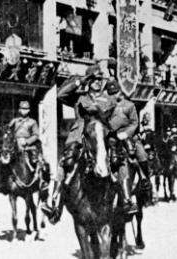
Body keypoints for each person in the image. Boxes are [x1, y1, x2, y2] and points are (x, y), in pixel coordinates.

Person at [42, 64, 116, 219]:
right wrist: (80, 81)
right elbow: (60, 94)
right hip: (79, 135)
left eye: (99, 79)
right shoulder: (79, 97)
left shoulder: (108, 98)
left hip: (101, 136)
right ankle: (54, 202)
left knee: (119, 158)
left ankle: (126, 198)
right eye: (93, 79)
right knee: (66, 161)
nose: (97, 82)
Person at [106, 79, 152, 213]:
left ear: (121, 91)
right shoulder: (105, 106)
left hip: (128, 137)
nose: (115, 96)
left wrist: (126, 133)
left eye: (116, 93)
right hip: (111, 137)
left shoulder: (129, 105)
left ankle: (145, 180)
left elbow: (134, 123)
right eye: (111, 93)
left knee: (141, 154)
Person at [0, 100, 49, 194]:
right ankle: (3, 183)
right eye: (22, 109)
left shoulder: (32, 122)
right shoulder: (14, 121)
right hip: (15, 146)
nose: (24, 111)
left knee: (39, 162)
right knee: (4, 162)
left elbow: (36, 135)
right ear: (19, 110)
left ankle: (42, 182)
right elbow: (8, 131)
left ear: (29, 110)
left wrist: (26, 141)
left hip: (28, 146)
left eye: (26, 109)